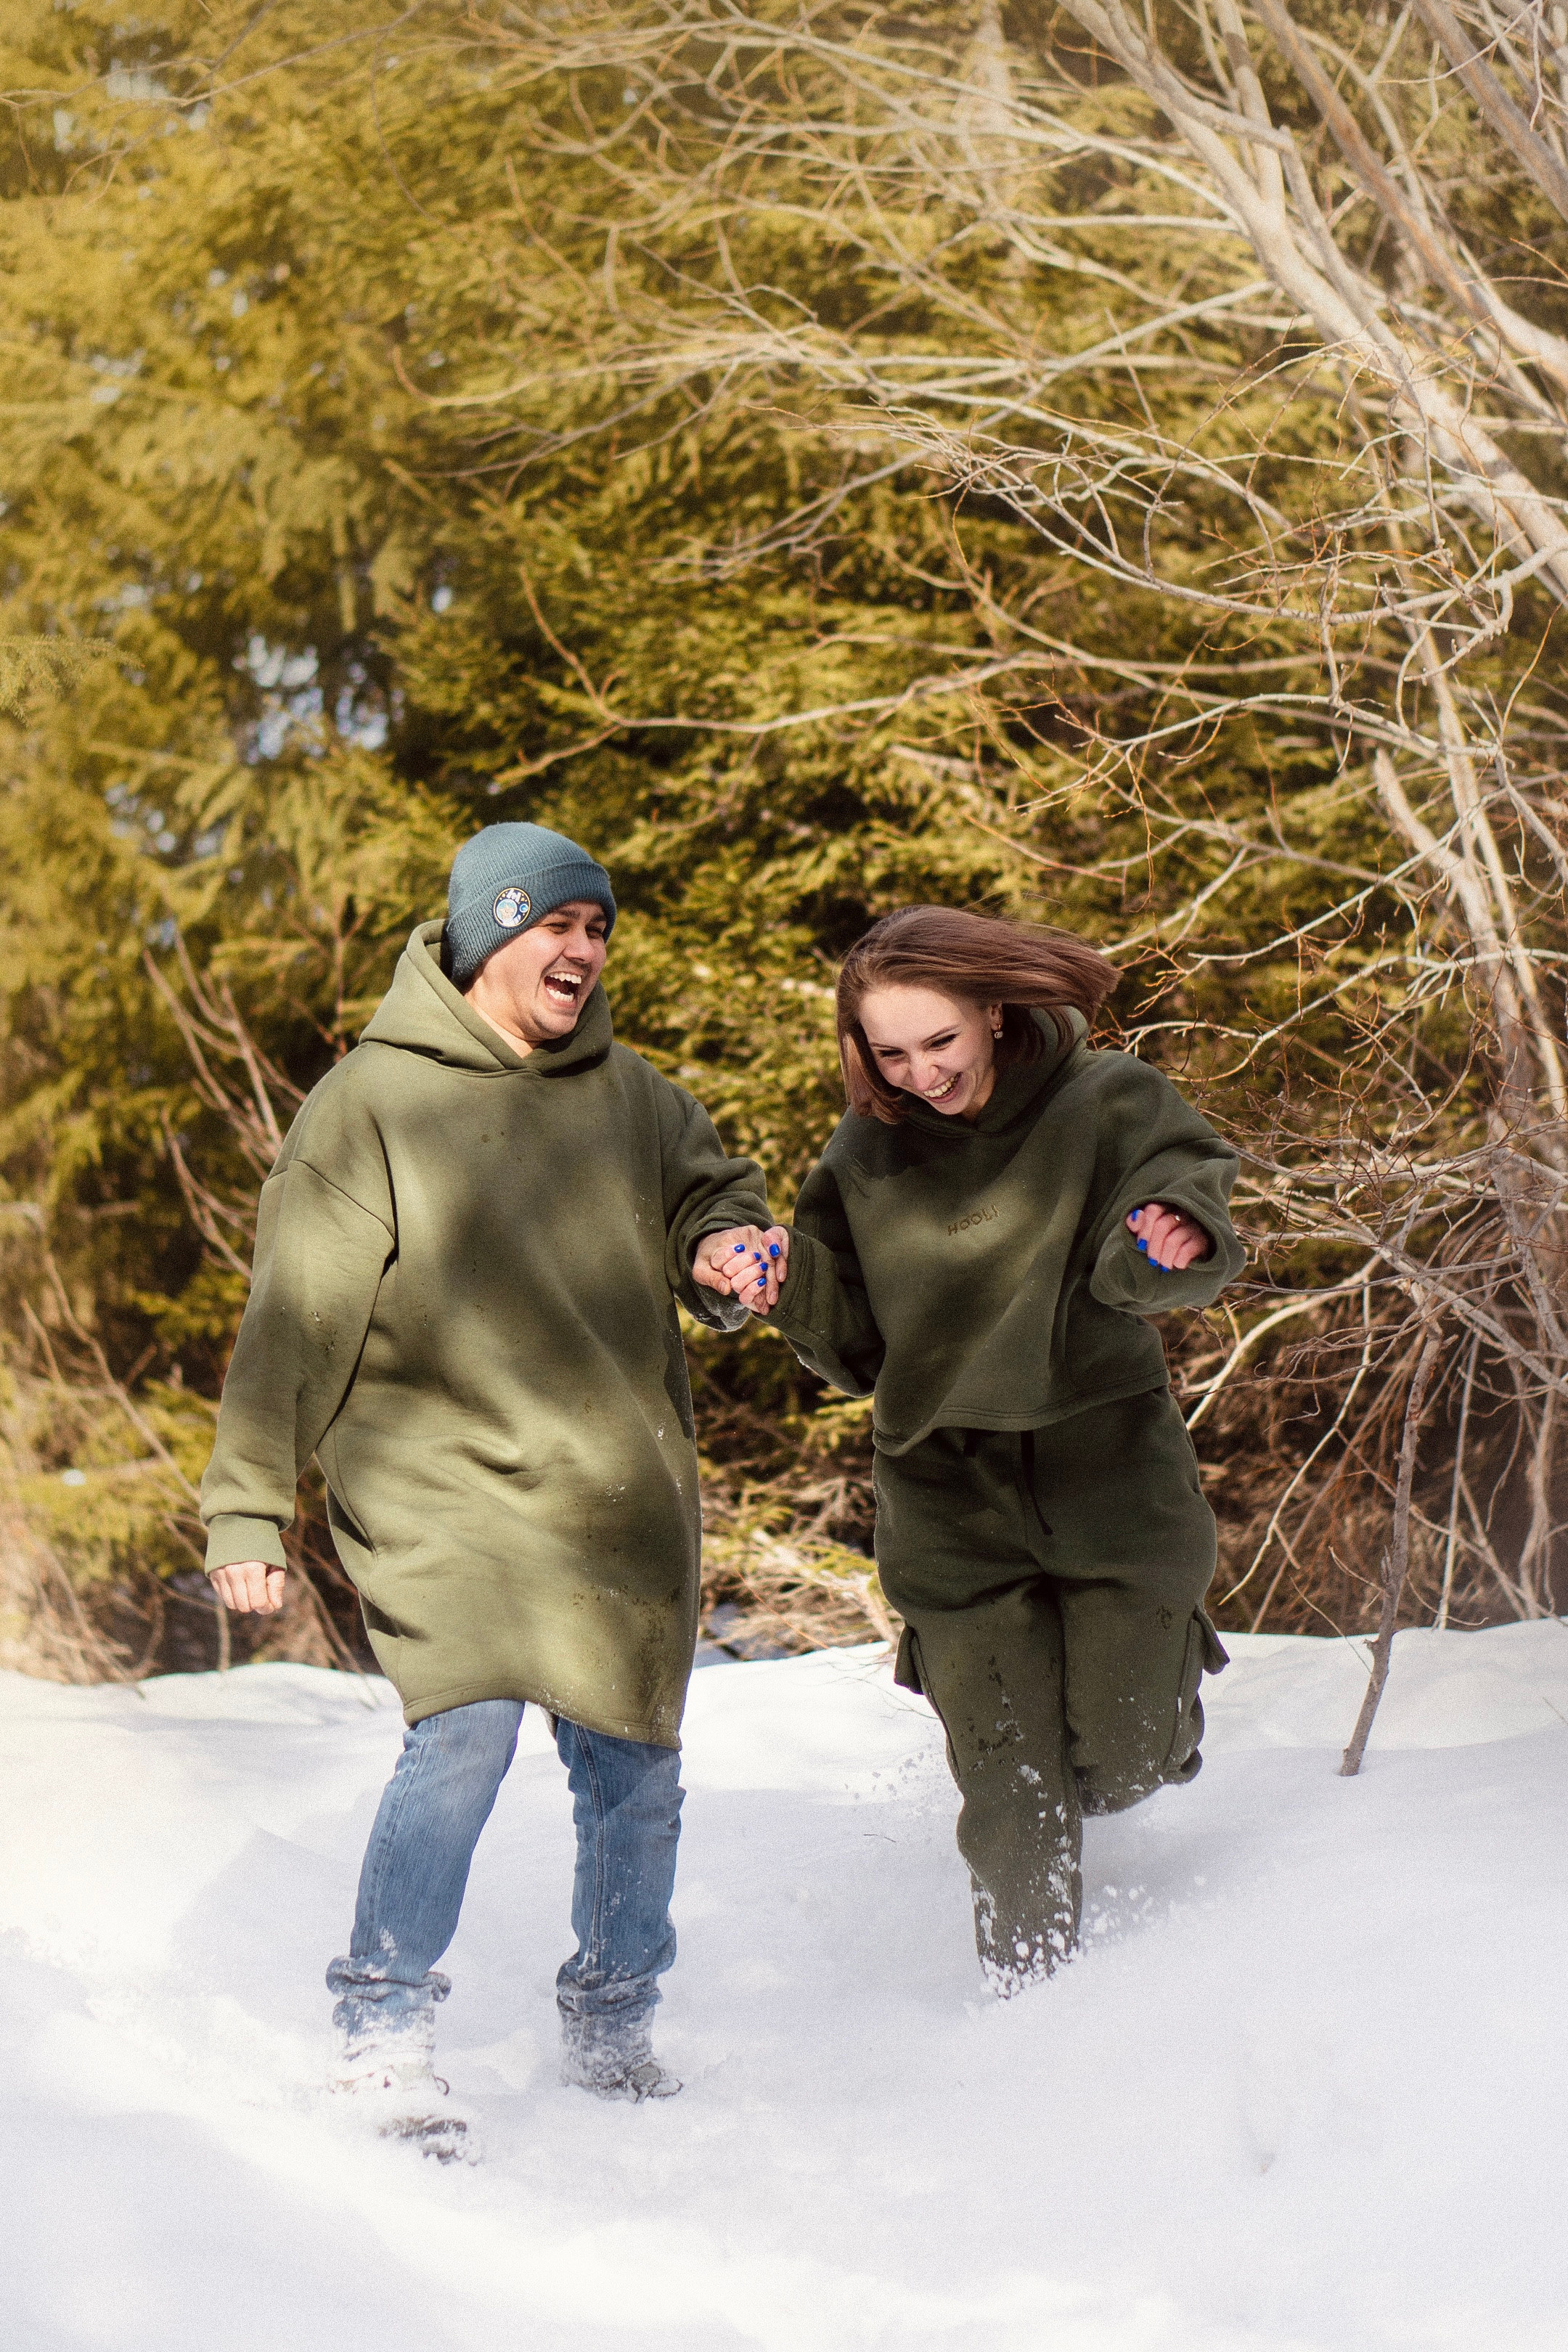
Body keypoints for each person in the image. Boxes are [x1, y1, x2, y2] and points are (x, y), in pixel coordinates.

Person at [202, 821, 785, 2155]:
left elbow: (715, 1197)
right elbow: (293, 1320)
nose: (580, 950)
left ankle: (616, 2013)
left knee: (633, 1770)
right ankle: (381, 2024)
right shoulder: (372, 1106)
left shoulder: (635, 1096)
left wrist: (728, 1254)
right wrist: (247, 1506)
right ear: (482, 937)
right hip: (438, 1484)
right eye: (554, 925)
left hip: (613, 1493)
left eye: (597, 929)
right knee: (462, 1734)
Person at [744, 906, 1245, 1993]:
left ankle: (1155, 1719)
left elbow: (1181, 1210)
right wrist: (789, 1284)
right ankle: (1029, 2016)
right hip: (947, 1496)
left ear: (995, 1011)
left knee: (1119, 1763)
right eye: (892, 1053)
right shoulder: (864, 1154)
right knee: (1013, 1791)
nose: (921, 1074)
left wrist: (1170, 1239)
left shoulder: (1107, 1099)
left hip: (1107, 1475)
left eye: (941, 1043)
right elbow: (855, 1340)